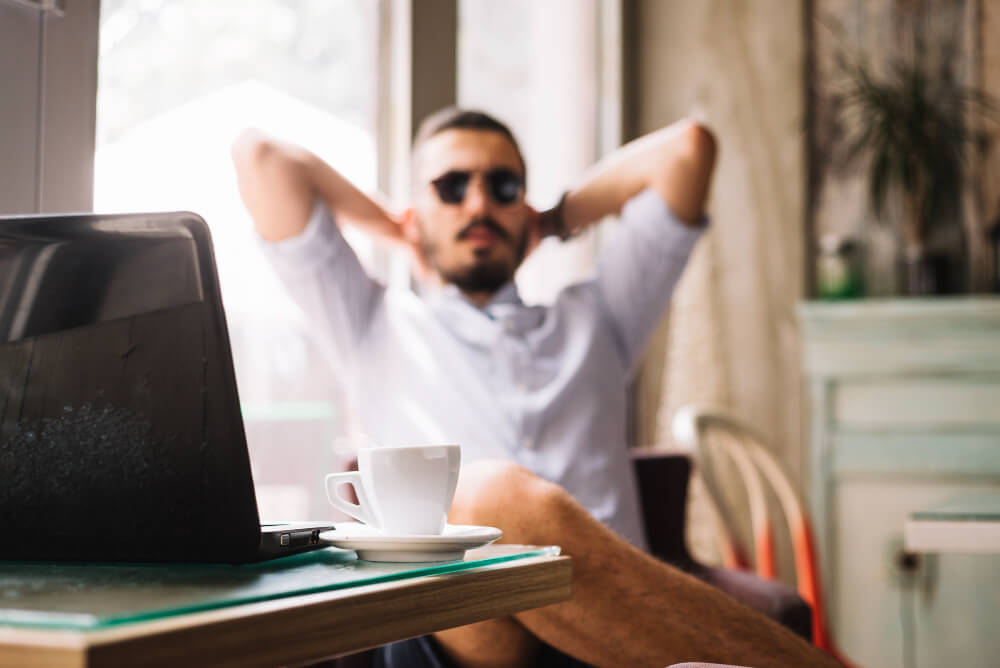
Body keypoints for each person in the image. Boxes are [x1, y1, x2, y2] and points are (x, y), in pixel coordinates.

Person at [232, 109, 838, 668]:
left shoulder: (599, 320)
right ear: (418, 211)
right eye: (451, 187)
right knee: (488, 497)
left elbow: (687, 150)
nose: (478, 203)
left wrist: (554, 219)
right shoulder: (373, 324)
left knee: (497, 496)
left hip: (608, 624)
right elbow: (263, 158)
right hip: (454, 627)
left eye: (502, 188)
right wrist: (397, 227)